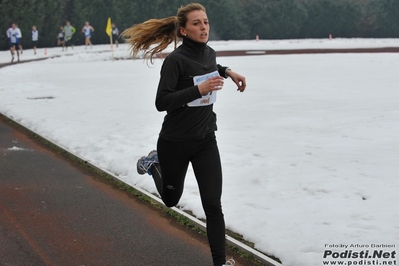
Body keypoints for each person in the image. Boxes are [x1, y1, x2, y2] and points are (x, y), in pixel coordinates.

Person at [122, 3, 246, 266]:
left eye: (206, 22)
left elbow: (208, 65)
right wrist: (198, 91)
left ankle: (220, 263)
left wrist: (227, 72)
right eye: (197, 23)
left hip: (205, 140)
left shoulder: (210, 54)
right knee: (170, 200)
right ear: (184, 30)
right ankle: (154, 163)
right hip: (174, 143)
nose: (203, 27)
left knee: (213, 204)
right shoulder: (174, 61)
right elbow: (161, 101)